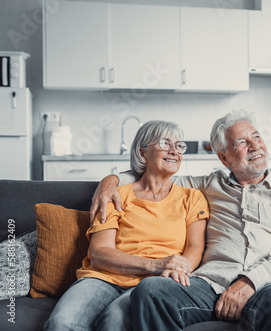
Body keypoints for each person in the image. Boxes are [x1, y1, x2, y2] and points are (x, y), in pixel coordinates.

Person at [91, 110, 271, 331]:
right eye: (241, 142)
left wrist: (249, 282)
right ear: (224, 157)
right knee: (151, 289)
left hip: (270, 285)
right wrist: (110, 181)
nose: (255, 145)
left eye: (257, 137)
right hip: (210, 285)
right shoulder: (207, 185)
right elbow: (155, 174)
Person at [45, 121, 209, 331]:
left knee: (114, 323)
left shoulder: (192, 198)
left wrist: (181, 268)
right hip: (103, 278)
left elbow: (196, 246)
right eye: (165, 143)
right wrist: (156, 264)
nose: (174, 151)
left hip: (153, 284)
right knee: (61, 324)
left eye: (179, 146)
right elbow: (100, 253)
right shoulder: (115, 195)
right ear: (142, 153)